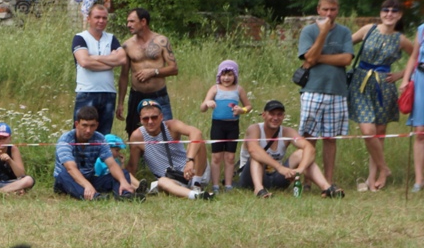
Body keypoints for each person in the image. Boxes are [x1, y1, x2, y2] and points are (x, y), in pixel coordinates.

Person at [348, 0, 414, 191]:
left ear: (400, 15)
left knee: (380, 133)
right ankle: (384, 169)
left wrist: (402, 74)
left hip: (384, 86)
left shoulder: (401, 39)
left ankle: (373, 179)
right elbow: (345, 43)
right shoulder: (368, 29)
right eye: (386, 10)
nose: (389, 14)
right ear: (380, 12)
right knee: (368, 132)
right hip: (361, 83)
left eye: (394, 11)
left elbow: (417, 57)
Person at [297, 0, 353, 186]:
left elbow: (346, 59)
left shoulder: (344, 32)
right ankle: (306, 180)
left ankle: (328, 181)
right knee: (309, 137)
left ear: (338, 10)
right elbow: (308, 56)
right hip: (312, 89)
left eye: (333, 9)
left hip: (337, 91)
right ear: (318, 10)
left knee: (330, 139)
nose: (329, 13)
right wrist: (323, 33)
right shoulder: (309, 31)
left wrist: (317, 58)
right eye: (325, 9)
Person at [236, 99, 341, 198]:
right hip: (250, 177)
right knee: (257, 156)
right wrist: (280, 167)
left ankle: (326, 188)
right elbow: (253, 150)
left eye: (279, 114)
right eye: (272, 114)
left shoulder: (288, 131)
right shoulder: (254, 129)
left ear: (283, 117)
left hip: (277, 177)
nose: (276, 118)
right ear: (264, 115)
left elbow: (309, 148)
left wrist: (300, 169)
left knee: (301, 153)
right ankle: (259, 190)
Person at [127, 99, 214, 199]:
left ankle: (196, 185)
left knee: (198, 141)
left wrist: (190, 160)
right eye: (146, 118)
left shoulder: (172, 126)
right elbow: (132, 166)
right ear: (141, 119)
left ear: (161, 117)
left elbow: (196, 133)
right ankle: (195, 196)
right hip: (171, 179)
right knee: (162, 181)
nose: (150, 121)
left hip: (194, 171)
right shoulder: (137, 136)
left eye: (154, 117)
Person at [53, 106, 138, 200]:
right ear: (77, 124)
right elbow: (70, 168)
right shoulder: (65, 140)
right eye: (84, 125)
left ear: (97, 125)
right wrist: (87, 185)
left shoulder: (100, 139)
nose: (88, 130)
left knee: (123, 173)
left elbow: (112, 164)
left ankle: (124, 194)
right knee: (63, 173)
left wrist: (123, 181)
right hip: (68, 179)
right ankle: (94, 196)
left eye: (92, 126)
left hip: (89, 178)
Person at [118, 8, 178, 136]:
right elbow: (124, 76)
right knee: (135, 133)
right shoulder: (127, 45)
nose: (128, 25)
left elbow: (174, 68)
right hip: (137, 95)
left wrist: (153, 72)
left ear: (143, 21)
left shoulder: (161, 41)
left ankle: (166, 156)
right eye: (128, 21)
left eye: (132, 21)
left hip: (158, 95)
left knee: (166, 131)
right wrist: (120, 103)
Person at [71, 3, 128, 135]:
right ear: (89, 19)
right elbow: (84, 62)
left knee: (104, 135)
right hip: (87, 91)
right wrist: (110, 62)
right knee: (81, 134)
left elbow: (122, 59)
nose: (101, 21)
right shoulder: (80, 38)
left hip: (108, 93)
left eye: (104, 18)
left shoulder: (111, 38)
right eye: (97, 17)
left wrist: (94, 57)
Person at [200, 59, 251, 191]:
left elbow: (248, 106)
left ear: (235, 76)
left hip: (233, 126)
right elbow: (202, 107)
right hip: (217, 125)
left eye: (230, 74)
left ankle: (228, 185)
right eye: (224, 74)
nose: (226, 78)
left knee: (230, 157)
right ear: (219, 75)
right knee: (216, 156)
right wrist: (207, 103)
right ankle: (215, 185)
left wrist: (242, 110)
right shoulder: (214, 88)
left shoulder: (239, 89)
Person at [405, 22, 424, 192]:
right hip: (421, 80)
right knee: (420, 131)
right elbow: (413, 56)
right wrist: (405, 79)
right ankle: (419, 180)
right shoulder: (422, 29)